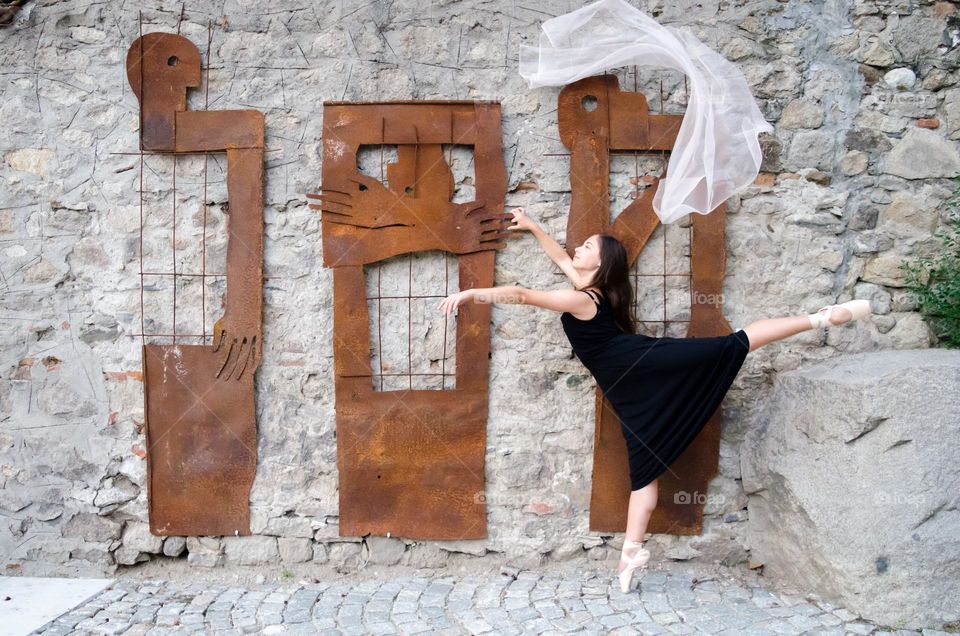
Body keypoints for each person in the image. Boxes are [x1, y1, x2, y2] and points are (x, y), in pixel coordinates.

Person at [437, 206, 871, 593]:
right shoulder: (591, 292)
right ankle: (630, 554)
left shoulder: (581, 299)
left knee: (732, 344)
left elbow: (525, 295)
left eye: (587, 246)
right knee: (643, 470)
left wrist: (473, 293)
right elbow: (558, 258)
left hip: (639, 366)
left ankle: (820, 318)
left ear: (602, 261)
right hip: (629, 385)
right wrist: (532, 227)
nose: (577, 248)